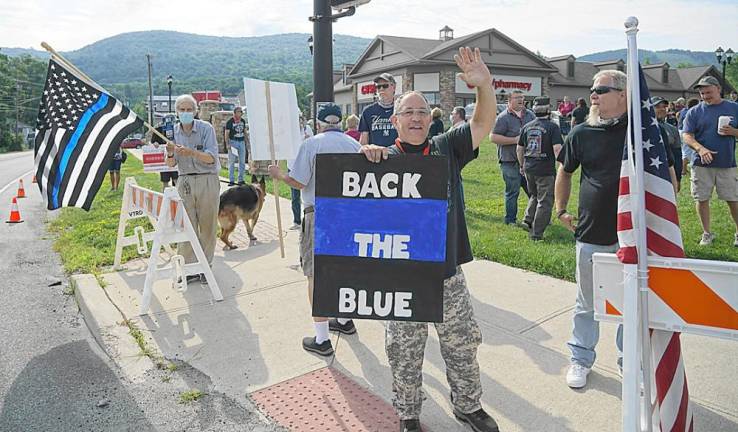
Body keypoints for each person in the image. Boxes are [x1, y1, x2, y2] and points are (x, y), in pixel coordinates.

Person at [361, 47, 499, 432]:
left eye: (423, 112)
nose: (417, 118)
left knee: (462, 346)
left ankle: (468, 407)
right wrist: (364, 156)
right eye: (409, 112)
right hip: (402, 279)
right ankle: (408, 415)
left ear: (430, 118)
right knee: (404, 353)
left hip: (446, 274)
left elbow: (482, 124)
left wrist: (484, 85)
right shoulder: (382, 158)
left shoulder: (446, 148)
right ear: (395, 120)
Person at [268, 103, 361, 356]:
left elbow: (299, 181)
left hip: (319, 214)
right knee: (343, 268)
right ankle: (344, 319)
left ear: (318, 123)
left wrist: (278, 174)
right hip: (349, 215)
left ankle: (322, 339)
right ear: (339, 122)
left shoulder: (311, 145)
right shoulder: (355, 145)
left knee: (315, 275)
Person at [554, 70, 629, 389]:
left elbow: (667, 174)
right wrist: (561, 210)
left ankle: (631, 363)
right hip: (591, 232)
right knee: (587, 302)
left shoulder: (642, 133)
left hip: (633, 234)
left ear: (623, 94)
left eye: (601, 89)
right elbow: (565, 172)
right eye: (592, 89)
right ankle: (581, 358)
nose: (593, 95)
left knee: (631, 303)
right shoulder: (582, 133)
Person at [165, 94, 220, 282]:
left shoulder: (206, 129)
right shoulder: (172, 132)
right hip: (184, 181)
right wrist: (170, 153)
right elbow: (170, 164)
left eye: (189, 109)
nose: (186, 113)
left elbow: (211, 158)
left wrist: (192, 153)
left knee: (207, 225)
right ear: (176, 112)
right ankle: (188, 269)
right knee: (186, 226)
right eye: (182, 109)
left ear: (195, 111)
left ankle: (205, 267)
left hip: (207, 180)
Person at [681, 76, 738, 247]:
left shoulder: (734, 108)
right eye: (702, 93)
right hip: (701, 164)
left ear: (718, 89)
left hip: (726, 163)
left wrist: (734, 132)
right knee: (702, 198)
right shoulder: (694, 111)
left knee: (733, 199)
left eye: (708, 92)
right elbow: (687, 135)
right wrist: (700, 149)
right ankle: (707, 233)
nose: (705, 96)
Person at [517, 97, 563, 241]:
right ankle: (537, 233)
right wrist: (563, 166)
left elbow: (519, 149)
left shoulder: (526, 126)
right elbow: (557, 149)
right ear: (548, 110)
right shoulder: (553, 127)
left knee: (534, 195)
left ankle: (527, 220)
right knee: (545, 200)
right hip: (545, 169)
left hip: (529, 167)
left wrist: (522, 165)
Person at [491, 89, 535, 225]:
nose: (521, 100)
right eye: (517, 98)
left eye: (522, 97)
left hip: (528, 160)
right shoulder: (503, 118)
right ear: (509, 101)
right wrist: (515, 140)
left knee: (533, 191)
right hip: (509, 161)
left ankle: (537, 216)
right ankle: (510, 220)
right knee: (512, 191)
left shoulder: (530, 115)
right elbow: (493, 137)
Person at [287, 116, 314, 230]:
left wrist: (308, 138)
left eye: (300, 119)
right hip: (293, 166)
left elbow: (313, 143)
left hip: (306, 165)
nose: (299, 122)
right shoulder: (290, 132)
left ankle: (307, 219)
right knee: (295, 196)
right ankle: (296, 220)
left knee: (308, 195)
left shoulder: (307, 129)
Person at [359, 72, 398, 147]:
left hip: (398, 155)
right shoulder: (368, 111)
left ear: (394, 87)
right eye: (378, 87)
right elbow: (364, 140)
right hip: (375, 156)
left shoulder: (401, 109)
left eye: (385, 86)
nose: (381, 89)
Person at [653, 96, 683, 187]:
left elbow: (677, 155)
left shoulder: (672, 129)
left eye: (664, 107)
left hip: (668, 172)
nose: (662, 109)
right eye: (657, 107)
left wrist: (677, 177)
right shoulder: (642, 129)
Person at [151, 116, 179, 191]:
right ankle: (166, 198)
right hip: (163, 160)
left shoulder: (178, 129)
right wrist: (155, 143)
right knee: (165, 181)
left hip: (176, 158)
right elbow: (153, 141)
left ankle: (178, 197)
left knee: (177, 180)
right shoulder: (158, 129)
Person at [224, 106, 247, 186]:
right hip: (233, 142)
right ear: (235, 113)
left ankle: (241, 179)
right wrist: (227, 144)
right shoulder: (230, 122)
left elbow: (244, 132)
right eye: (239, 111)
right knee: (232, 161)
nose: (240, 113)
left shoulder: (243, 121)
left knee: (242, 161)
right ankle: (231, 180)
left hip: (241, 142)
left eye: (241, 112)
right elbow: (226, 134)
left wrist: (246, 141)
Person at [678, 97, 700, 176]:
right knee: (687, 151)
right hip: (685, 133)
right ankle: (683, 170)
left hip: (680, 131)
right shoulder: (691, 112)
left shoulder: (683, 110)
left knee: (684, 151)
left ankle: (684, 169)